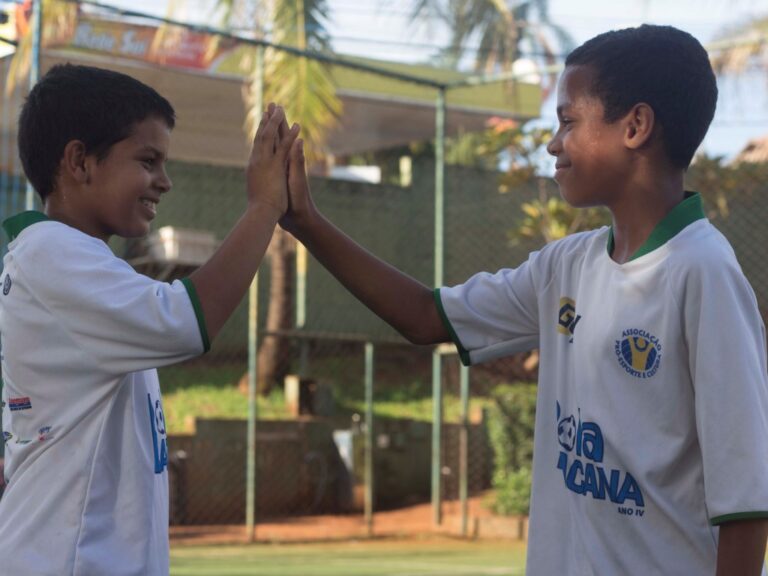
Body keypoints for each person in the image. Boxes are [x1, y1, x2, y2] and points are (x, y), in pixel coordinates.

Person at [280, 24, 768, 575]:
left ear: (635, 126)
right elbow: (425, 316)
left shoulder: (704, 273)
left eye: (567, 121)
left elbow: (745, 508)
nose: (552, 143)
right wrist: (305, 222)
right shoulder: (565, 266)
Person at [0, 64, 298, 575]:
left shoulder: (72, 269)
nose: (164, 181)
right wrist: (264, 206)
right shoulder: (52, 253)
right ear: (79, 161)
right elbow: (187, 321)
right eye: (148, 160)